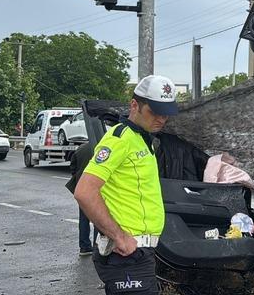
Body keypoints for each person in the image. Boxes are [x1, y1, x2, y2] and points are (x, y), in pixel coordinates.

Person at [75, 75, 178, 295]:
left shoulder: (141, 139)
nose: (161, 119)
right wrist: (119, 237)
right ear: (134, 105)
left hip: (138, 253)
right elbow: (85, 192)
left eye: (166, 113)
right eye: (155, 111)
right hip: (126, 254)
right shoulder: (120, 139)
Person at [65, 140, 95, 256]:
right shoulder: (101, 147)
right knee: (100, 218)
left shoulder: (81, 148)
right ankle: (98, 248)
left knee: (84, 218)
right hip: (98, 188)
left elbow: (73, 167)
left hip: (82, 188)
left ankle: (84, 246)